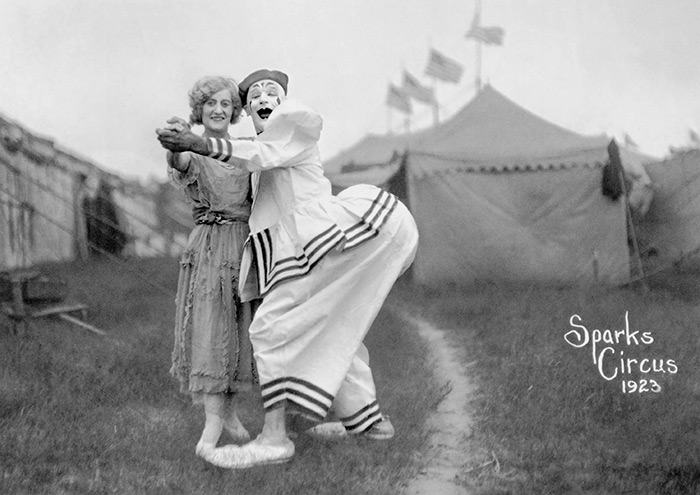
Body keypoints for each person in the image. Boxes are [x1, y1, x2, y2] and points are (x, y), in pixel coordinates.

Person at [156, 69, 419, 469]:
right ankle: (370, 424)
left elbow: (258, 153)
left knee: (271, 327)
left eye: (271, 91)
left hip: (321, 236)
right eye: (255, 94)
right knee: (330, 326)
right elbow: (240, 157)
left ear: (284, 99)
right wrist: (187, 143)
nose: (263, 97)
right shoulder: (259, 147)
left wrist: (198, 141)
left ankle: (275, 438)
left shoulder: (293, 124)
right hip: (301, 245)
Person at [165, 76, 258, 465]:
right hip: (210, 246)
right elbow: (179, 160)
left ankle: (230, 412)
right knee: (211, 328)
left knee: (239, 331)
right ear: (199, 110)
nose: (218, 110)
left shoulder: (245, 150)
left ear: (234, 111)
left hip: (245, 247)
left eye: (225, 104)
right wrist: (175, 141)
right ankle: (212, 423)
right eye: (210, 104)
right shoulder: (195, 150)